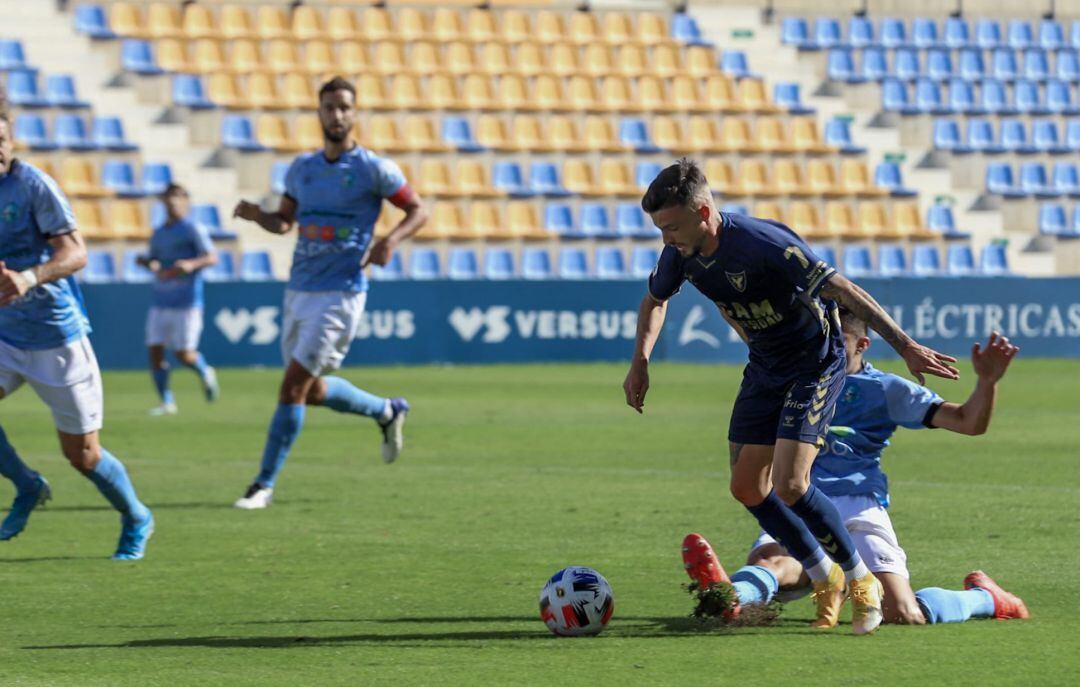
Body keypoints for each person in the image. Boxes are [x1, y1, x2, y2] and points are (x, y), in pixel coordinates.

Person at [624, 159, 958, 635]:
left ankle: (861, 582)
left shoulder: (764, 243)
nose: (665, 239)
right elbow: (655, 300)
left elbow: (842, 287)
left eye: (671, 226)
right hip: (765, 366)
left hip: (814, 365)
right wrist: (641, 360)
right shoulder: (680, 254)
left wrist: (905, 345)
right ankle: (825, 575)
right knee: (746, 486)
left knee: (792, 483)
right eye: (659, 228)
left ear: (703, 212)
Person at [683, 311, 1028, 626]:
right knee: (777, 564)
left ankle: (985, 598)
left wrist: (987, 382)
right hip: (797, 497)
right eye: (820, 341)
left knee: (902, 613)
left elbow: (968, 422)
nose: (826, 349)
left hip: (858, 503)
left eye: (838, 342)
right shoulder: (796, 376)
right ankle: (728, 596)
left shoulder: (885, 389)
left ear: (863, 344)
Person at [230, 76, 427, 510]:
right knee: (311, 391)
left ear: (354, 114)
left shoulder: (373, 169)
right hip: (299, 288)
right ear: (319, 112)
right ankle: (386, 410)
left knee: (292, 386)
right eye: (329, 107)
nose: (336, 115)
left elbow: (418, 210)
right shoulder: (301, 169)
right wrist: (256, 216)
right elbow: (285, 222)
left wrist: (390, 240)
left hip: (341, 292)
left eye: (344, 107)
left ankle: (262, 484)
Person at [0, 96, 153, 558]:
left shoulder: (32, 186)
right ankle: (26, 484)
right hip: (6, 335)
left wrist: (27, 278)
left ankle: (136, 515)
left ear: (11, 140)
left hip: (56, 338)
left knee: (82, 456)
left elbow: (76, 253)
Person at [137, 183, 219, 415]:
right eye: (169, 198)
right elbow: (155, 261)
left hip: (187, 301)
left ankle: (204, 370)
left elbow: (212, 257)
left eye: (178, 197)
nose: (173, 202)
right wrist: (145, 262)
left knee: (184, 354)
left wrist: (191, 264)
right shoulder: (159, 232)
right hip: (161, 299)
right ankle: (167, 402)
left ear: (185, 201)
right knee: (155, 350)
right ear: (163, 202)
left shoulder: (193, 229)